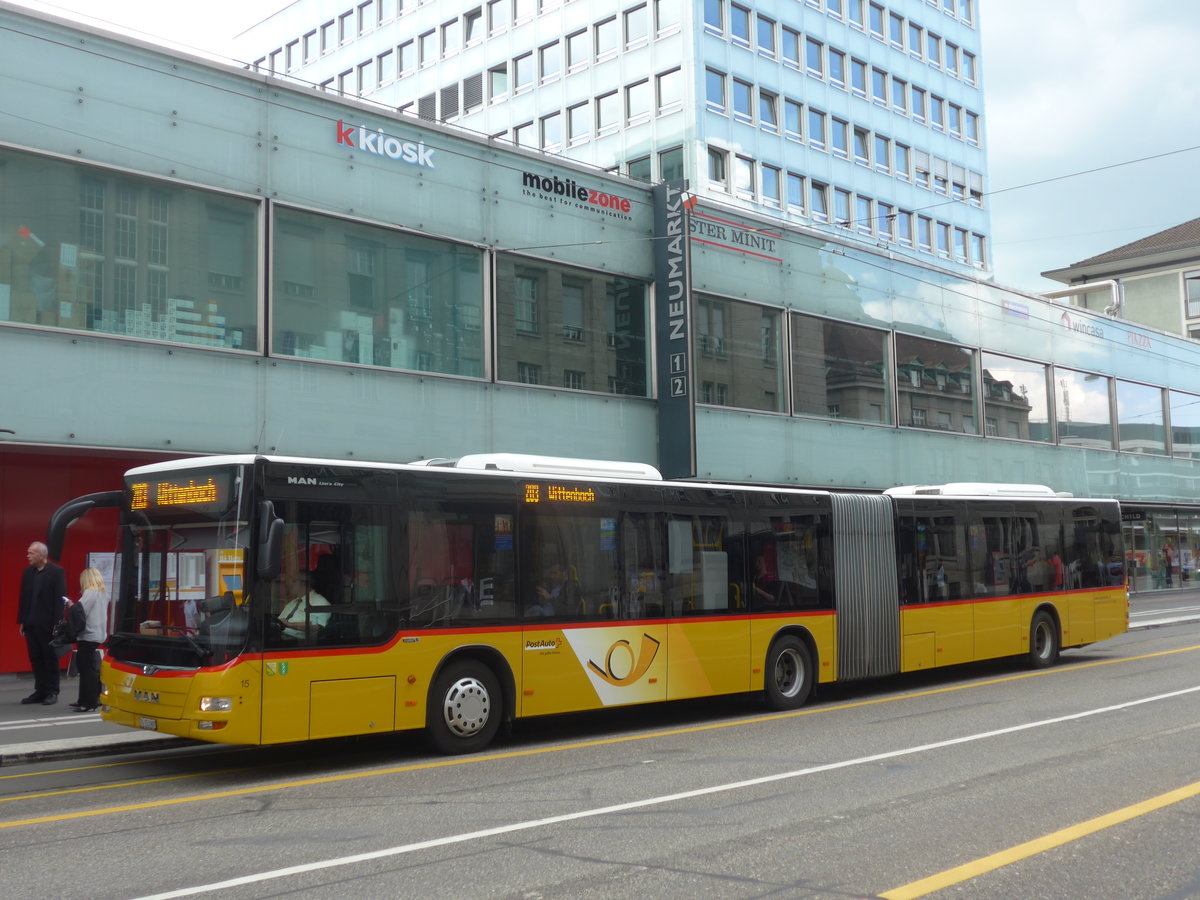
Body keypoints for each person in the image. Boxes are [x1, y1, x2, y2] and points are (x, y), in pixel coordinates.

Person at [17, 541, 67, 706]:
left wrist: (57, 624)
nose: (28, 556)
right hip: (31, 623)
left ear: (41, 555)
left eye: (31, 553)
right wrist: (22, 621)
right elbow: (24, 598)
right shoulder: (28, 573)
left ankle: (52, 691)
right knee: (36, 658)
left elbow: (59, 600)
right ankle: (40, 691)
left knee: (49, 658)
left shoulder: (56, 572)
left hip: (48, 625)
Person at [71, 567, 109, 712]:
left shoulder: (90, 593)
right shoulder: (104, 594)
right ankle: (90, 699)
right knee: (90, 667)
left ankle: (88, 702)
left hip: (88, 634)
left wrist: (70, 605)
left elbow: (81, 611)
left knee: (86, 668)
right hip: (99, 634)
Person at [277, 574, 330, 640]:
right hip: (279, 636)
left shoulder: (319, 602)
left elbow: (315, 625)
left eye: (294, 581)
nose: (290, 585)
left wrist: (290, 625)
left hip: (296, 641)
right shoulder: (292, 603)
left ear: (303, 583)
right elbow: (279, 621)